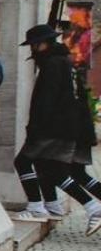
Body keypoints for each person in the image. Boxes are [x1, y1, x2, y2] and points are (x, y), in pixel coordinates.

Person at [10, 23, 101, 234]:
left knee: (30, 163)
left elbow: (46, 101)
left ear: (45, 44)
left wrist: (35, 128)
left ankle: (43, 207)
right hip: (75, 127)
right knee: (73, 172)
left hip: (56, 128)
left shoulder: (52, 64)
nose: (33, 49)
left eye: (35, 45)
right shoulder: (68, 62)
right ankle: (52, 204)